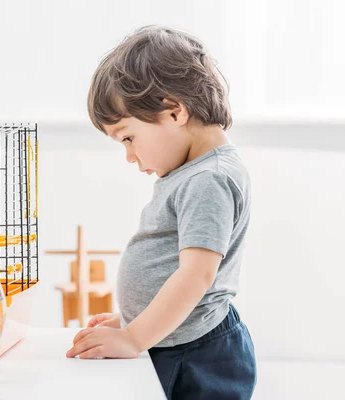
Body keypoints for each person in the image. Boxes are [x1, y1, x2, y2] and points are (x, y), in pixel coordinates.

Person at [66, 25, 257, 400]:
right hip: (177, 342)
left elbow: (195, 276)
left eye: (128, 137)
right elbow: (168, 266)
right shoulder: (192, 172)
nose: (130, 156)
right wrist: (130, 320)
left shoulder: (209, 179)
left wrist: (134, 337)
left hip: (199, 356)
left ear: (174, 111)